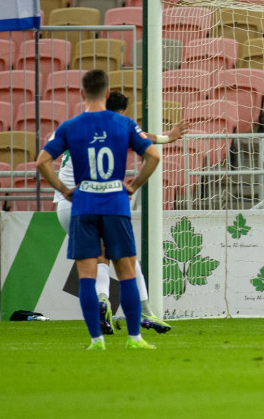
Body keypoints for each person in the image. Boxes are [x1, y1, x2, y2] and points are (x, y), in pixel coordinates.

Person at [37, 70, 161, 350]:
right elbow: (153, 155)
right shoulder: (124, 123)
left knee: (87, 274)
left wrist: (63, 189)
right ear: (107, 94)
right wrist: (134, 185)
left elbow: (42, 161)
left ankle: (96, 340)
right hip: (115, 203)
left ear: (82, 94)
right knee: (127, 270)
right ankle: (134, 338)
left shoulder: (69, 126)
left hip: (83, 205)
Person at [51, 91, 187, 336]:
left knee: (98, 259)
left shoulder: (77, 127)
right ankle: (145, 313)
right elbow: (145, 143)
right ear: (122, 113)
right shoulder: (118, 128)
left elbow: (44, 158)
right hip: (94, 203)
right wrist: (169, 138)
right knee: (126, 259)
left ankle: (103, 303)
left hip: (64, 205)